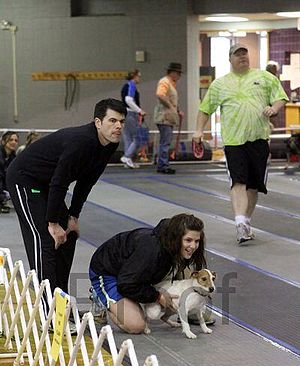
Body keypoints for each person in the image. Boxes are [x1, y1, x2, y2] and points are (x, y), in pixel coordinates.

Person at [7, 98, 127, 315]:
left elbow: (86, 181)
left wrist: (72, 216)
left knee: (69, 236)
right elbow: (60, 181)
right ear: (98, 122)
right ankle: (48, 312)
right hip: (24, 178)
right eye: (112, 121)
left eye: (121, 121)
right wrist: (52, 222)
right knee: (45, 238)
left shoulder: (109, 145)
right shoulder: (81, 141)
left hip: (47, 184)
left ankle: (59, 302)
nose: (118, 126)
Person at [193, 44, 288, 244]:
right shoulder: (220, 85)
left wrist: (274, 107)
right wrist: (199, 131)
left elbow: (280, 97)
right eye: (238, 55)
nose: (243, 57)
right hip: (234, 142)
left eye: (245, 54)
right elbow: (204, 110)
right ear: (230, 59)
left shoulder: (264, 78)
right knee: (238, 182)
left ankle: (245, 221)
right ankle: (239, 223)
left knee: (253, 187)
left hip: (259, 140)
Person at [89, 213, 207, 334]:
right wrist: (157, 296)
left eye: (196, 241)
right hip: (109, 273)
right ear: (176, 238)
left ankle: (188, 309)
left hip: (137, 272)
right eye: (188, 240)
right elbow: (126, 284)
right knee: (136, 325)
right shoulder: (150, 252)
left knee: (190, 276)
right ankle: (100, 297)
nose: (193, 246)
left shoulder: (174, 242)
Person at [154, 62, 183, 174]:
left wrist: (177, 110)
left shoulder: (171, 83)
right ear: (173, 73)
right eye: (178, 73)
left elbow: (170, 99)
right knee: (165, 142)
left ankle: (162, 163)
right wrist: (171, 107)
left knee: (165, 141)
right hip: (164, 117)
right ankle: (163, 165)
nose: (179, 76)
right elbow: (160, 95)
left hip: (167, 117)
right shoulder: (165, 82)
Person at [120, 69, 146, 169]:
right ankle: (126, 157)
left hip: (124, 114)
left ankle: (128, 162)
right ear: (134, 76)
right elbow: (129, 100)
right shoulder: (131, 85)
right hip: (130, 114)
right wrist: (140, 110)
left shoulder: (125, 86)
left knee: (128, 138)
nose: (139, 78)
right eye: (139, 76)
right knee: (139, 137)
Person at [0, 131, 19, 213]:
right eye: (10, 140)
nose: (13, 142)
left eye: (16, 140)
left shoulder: (14, 158)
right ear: (3, 142)